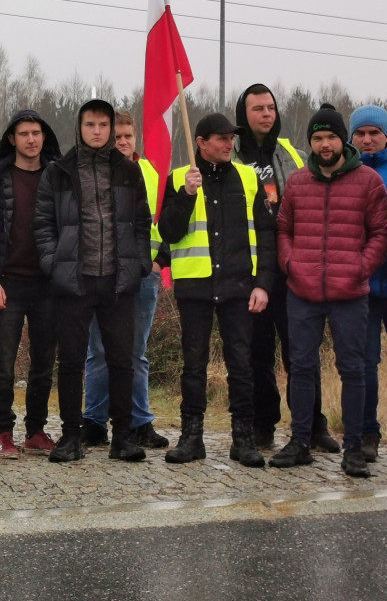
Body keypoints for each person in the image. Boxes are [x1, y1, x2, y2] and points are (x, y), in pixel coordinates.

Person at [270, 104, 387, 477]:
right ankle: (300, 441)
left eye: (331, 137)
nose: (325, 144)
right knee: (302, 368)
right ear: (312, 142)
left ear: (343, 140)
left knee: (352, 369)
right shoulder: (298, 183)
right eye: (318, 138)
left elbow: (381, 234)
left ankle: (354, 447)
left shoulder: (368, 182)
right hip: (302, 292)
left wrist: (359, 269)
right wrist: (291, 264)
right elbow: (284, 230)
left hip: (350, 293)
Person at [34, 100, 152, 462]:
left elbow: (142, 222)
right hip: (75, 281)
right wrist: (55, 264)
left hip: (118, 282)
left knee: (121, 359)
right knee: (71, 361)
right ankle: (71, 437)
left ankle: (123, 438)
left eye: (103, 125)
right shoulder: (59, 171)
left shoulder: (129, 172)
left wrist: (138, 264)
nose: (98, 131)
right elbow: (43, 224)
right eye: (90, 125)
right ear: (79, 127)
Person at [159, 113, 275, 468]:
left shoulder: (248, 178)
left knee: (241, 364)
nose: (229, 145)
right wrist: (186, 195)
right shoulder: (179, 179)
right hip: (194, 286)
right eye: (221, 139)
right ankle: (191, 437)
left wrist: (264, 284)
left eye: (231, 139)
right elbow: (169, 231)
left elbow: (267, 235)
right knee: (193, 366)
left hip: (239, 285)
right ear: (201, 142)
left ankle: (243, 439)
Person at [232, 84, 337, 452]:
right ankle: (264, 424)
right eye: (258, 108)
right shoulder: (232, 157)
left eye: (271, 108)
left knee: (301, 352)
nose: (266, 114)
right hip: (251, 272)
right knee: (257, 354)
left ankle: (313, 424)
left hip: (292, 270)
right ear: (243, 114)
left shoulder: (292, 153)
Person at [0, 109, 61, 459]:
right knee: (3, 366)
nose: (31, 139)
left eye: (37, 133)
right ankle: (2, 433)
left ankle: (36, 431)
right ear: (12, 138)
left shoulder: (57, 178)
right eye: (24, 133)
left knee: (43, 364)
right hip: (6, 285)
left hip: (48, 286)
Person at [81, 110, 169, 450]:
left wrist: (159, 261)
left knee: (136, 351)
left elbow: (166, 221)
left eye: (127, 136)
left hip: (142, 277)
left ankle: (139, 421)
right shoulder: (91, 173)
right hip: (100, 275)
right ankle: (94, 421)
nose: (121, 141)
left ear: (136, 139)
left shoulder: (151, 173)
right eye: (116, 136)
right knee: (99, 350)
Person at [349, 105, 387, 462]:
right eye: (360, 134)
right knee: (364, 365)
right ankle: (368, 433)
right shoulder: (345, 172)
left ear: (386, 134)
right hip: (361, 286)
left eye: (374, 133)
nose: (367, 140)